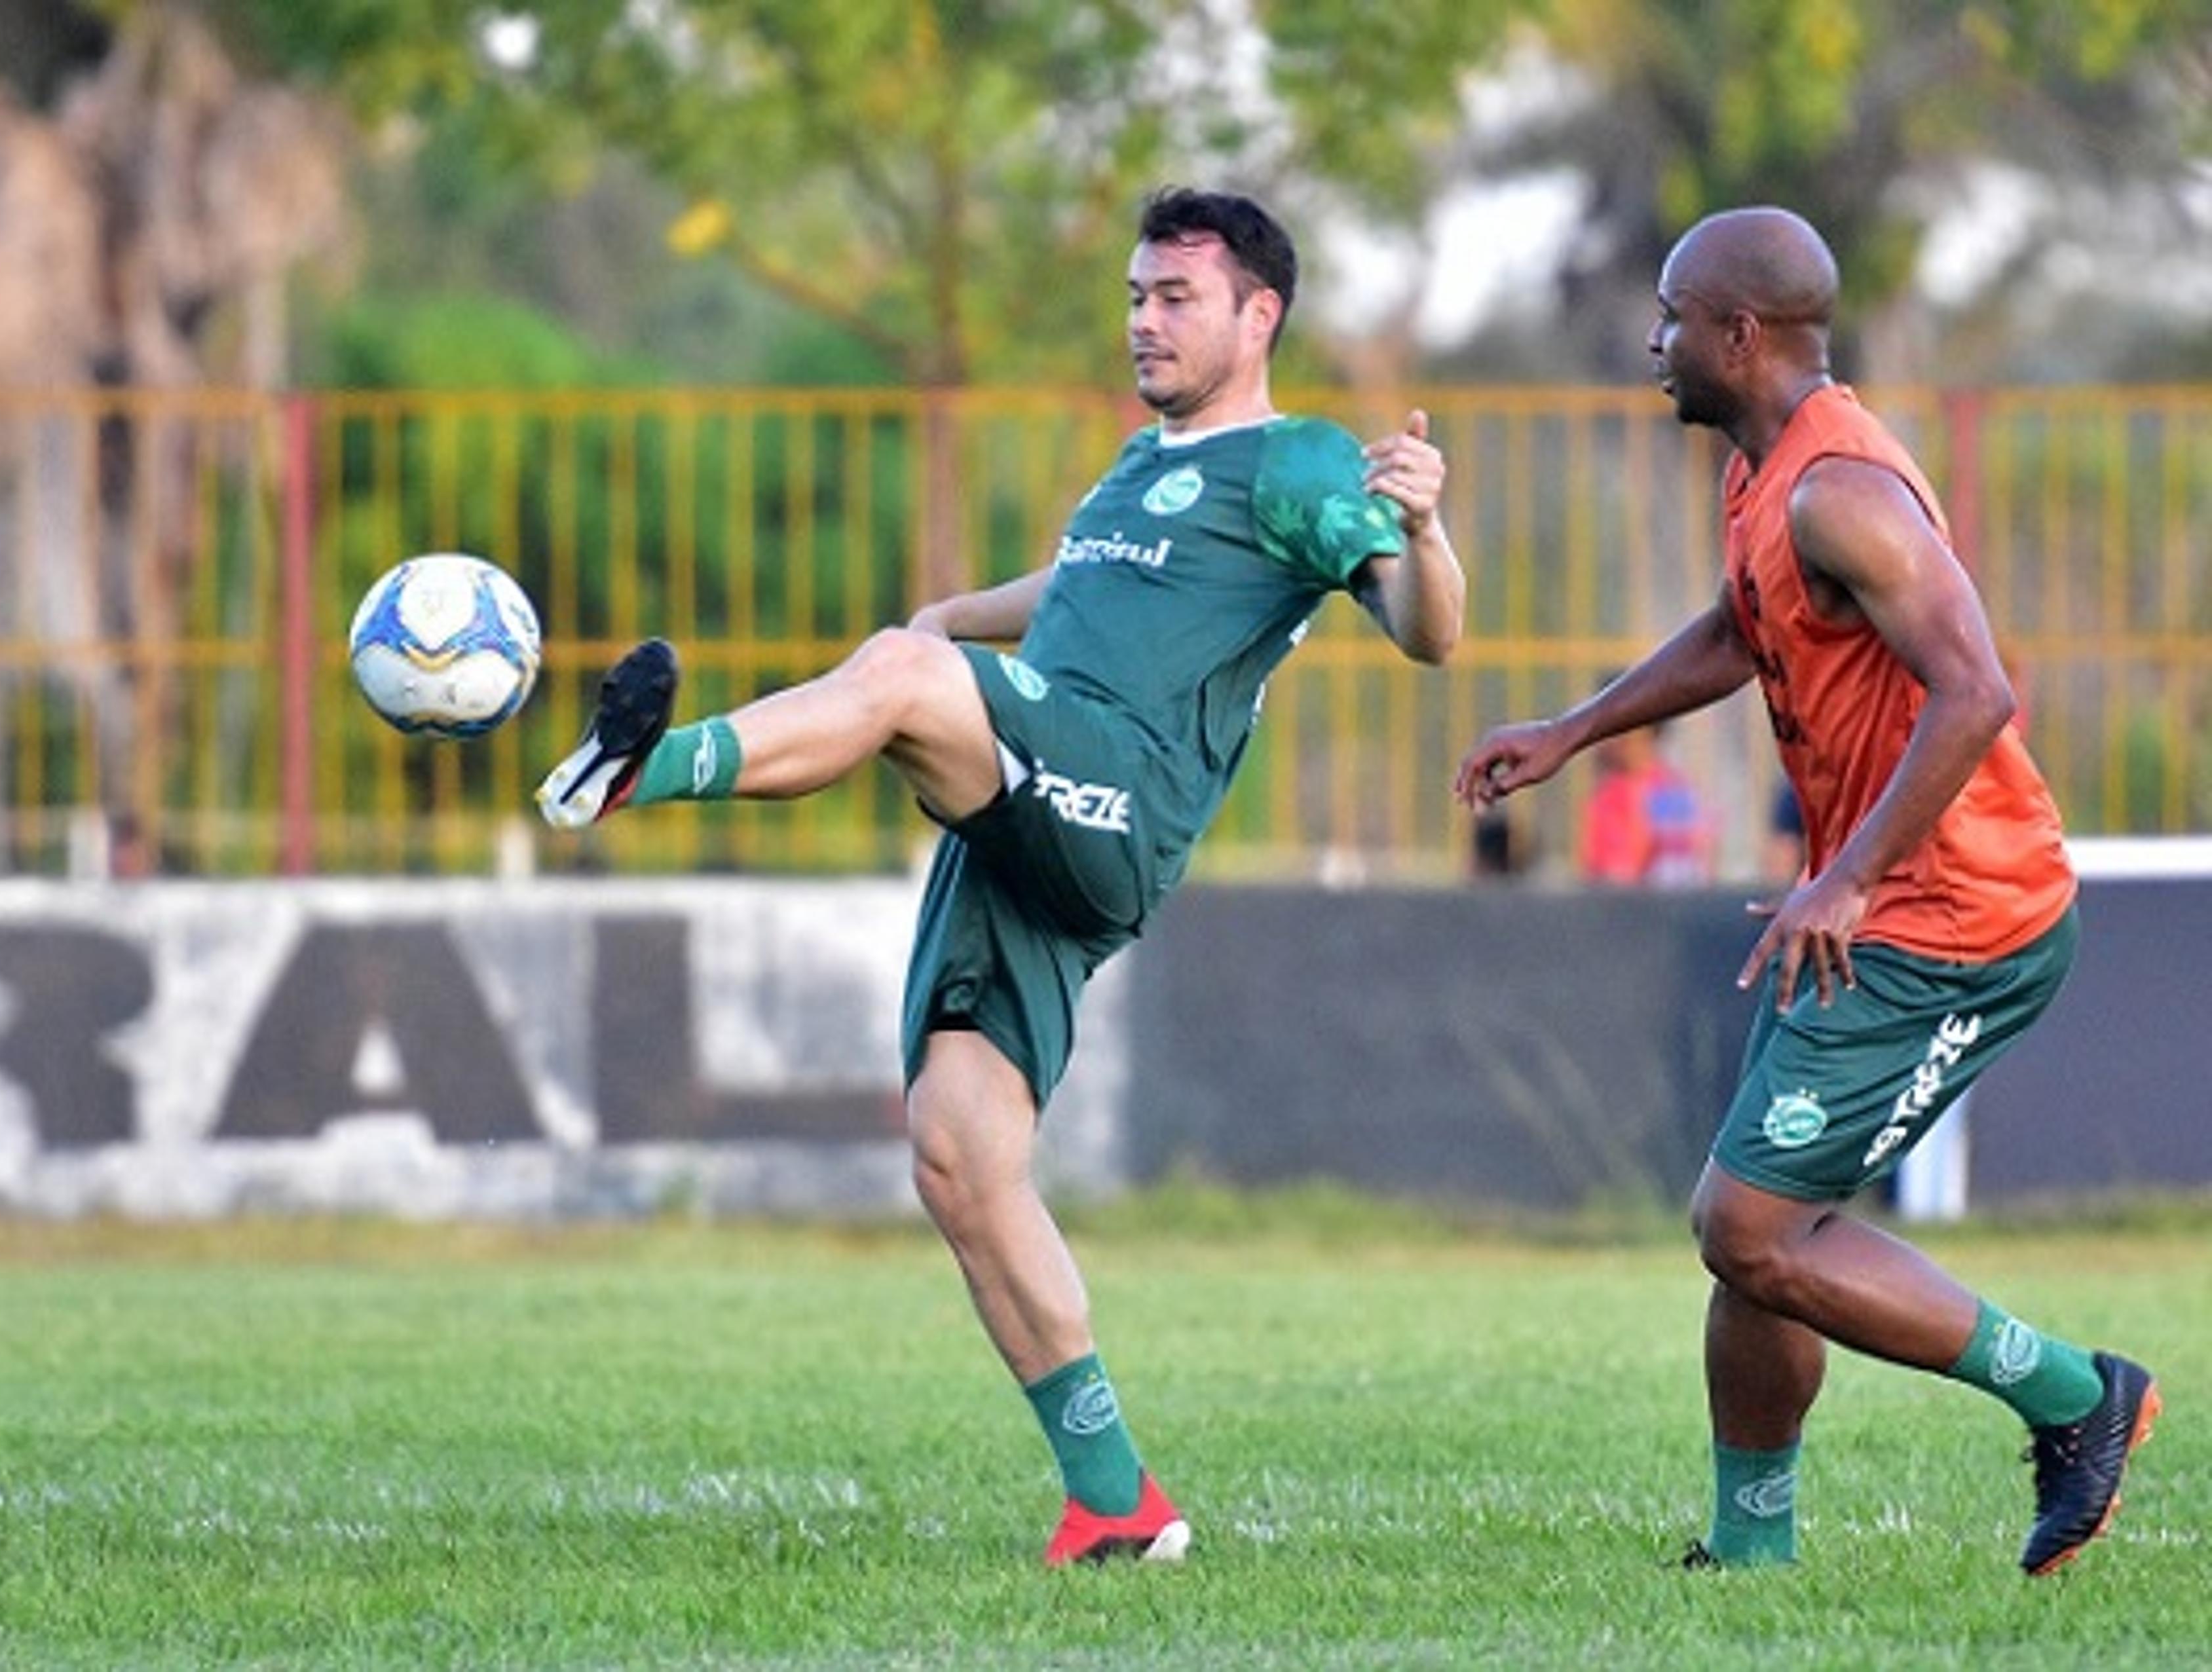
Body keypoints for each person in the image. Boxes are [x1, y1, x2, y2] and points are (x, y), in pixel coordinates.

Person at [536, 187, 1466, 1566]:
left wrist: (1426, 531)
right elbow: (1084, 588)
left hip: (1118, 793)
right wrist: (947, 621)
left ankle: (640, 771)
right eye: (1138, 296)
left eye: (1177, 299)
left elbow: (1424, 632)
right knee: (961, 1155)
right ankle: (1116, 1502)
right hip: (1030, 809)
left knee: (907, 684)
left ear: (1258, 316)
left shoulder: (1297, 464)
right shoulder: (1137, 471)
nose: (1144, 320)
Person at [1452, 206, 2154, 1576]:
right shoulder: (1763, 472)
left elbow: (1979, 690)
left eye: (1668, 316)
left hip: (1961, 920)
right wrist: (1572, 732)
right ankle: (1750, 1548)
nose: (1650, 341)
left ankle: (2079, 1396)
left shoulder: (1844, 488)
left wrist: (1841, 878)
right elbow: (1739, 627)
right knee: (1755, 1216)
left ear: (1739, 334)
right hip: (1875, 912)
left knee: (1751, 1225)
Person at [1577, 718, 1712, 885]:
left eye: (1628, 734)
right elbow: (1596, 867)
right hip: (1620, 902)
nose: (1619, 742)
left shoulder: (1674, 789)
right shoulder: (1606, 798)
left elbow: (1695, 858)